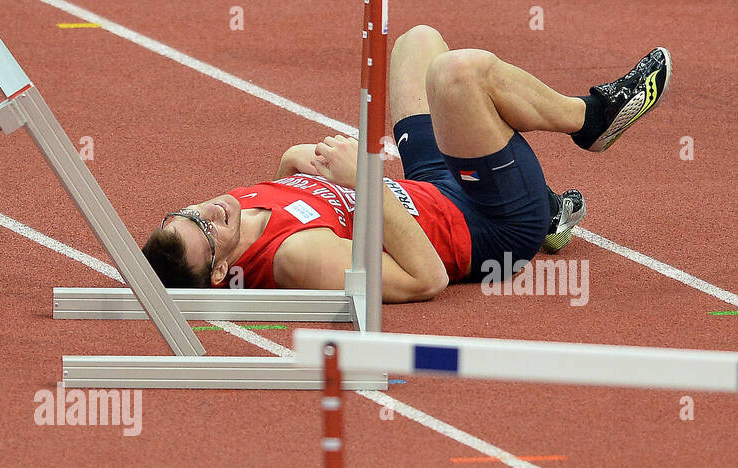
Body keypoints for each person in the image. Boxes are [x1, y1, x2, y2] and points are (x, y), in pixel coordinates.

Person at [142, 26, 671, 302]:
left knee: (417, 44)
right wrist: (364, 183)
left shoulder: (236, 213)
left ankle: (551, 207)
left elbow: (294, 187)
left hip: (434, 188)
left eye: (189, 213)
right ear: (218, 272)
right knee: (457, 75)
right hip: (490, 228)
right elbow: (426, 279)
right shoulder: (296, 259)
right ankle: (590, 119)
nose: (208, 212)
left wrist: (300, 163)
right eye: (205, 232)